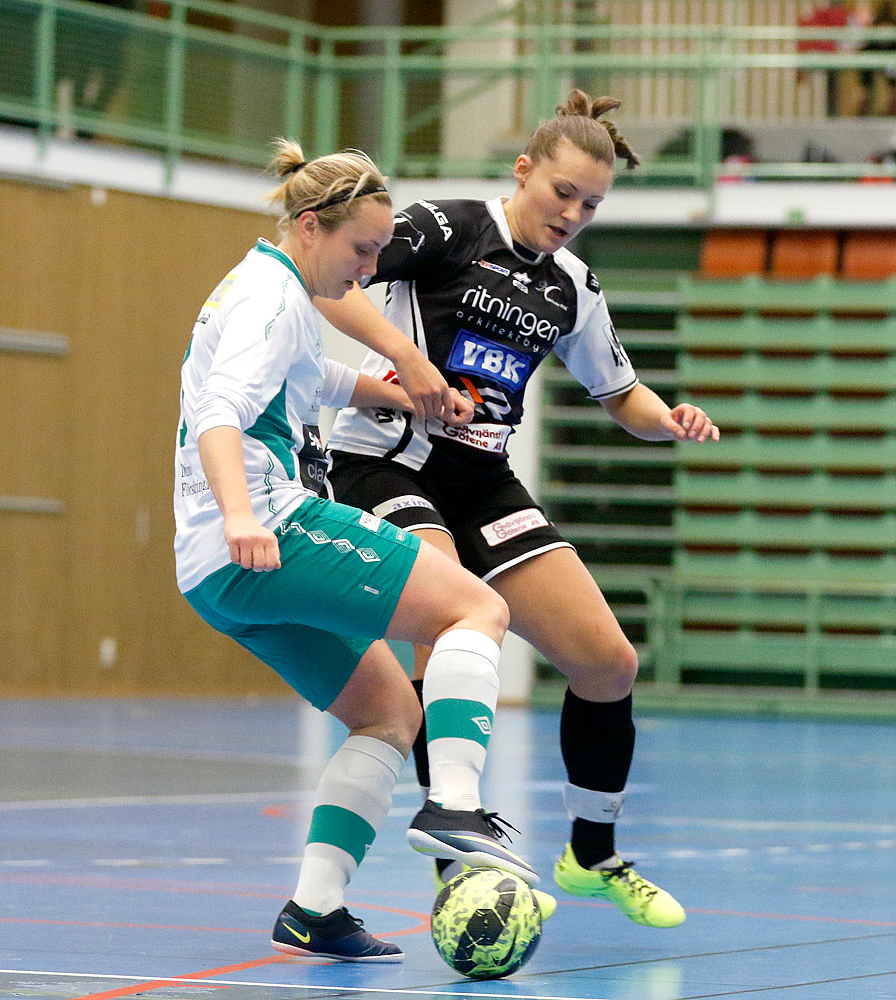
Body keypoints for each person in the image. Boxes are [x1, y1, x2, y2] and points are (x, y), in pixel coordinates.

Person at [318, 90, 719, 930]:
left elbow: (622, 392)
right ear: (524, 171)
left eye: (591, 205)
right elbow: (330, 279)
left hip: (482, 479)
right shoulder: (445, 227)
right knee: (452, 619)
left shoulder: (573, 285)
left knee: (608, 662)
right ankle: (453, 848)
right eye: (561, 194)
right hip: (384, 457)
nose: (572, 214)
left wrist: (668, 420)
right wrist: (403, 361)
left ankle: (592, 853)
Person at [174, 140, 541, 963]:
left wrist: (408, 392)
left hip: (214, 575)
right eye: (363, 251)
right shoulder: (271, 302)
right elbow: (221, 415)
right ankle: (452, 804)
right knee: (477, 605)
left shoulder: (275, 291)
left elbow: (311, 380)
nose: (371, 269)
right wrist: (241, 511)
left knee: (387, 713)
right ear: (311, 227)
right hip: (270, 532)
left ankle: (316, 907)